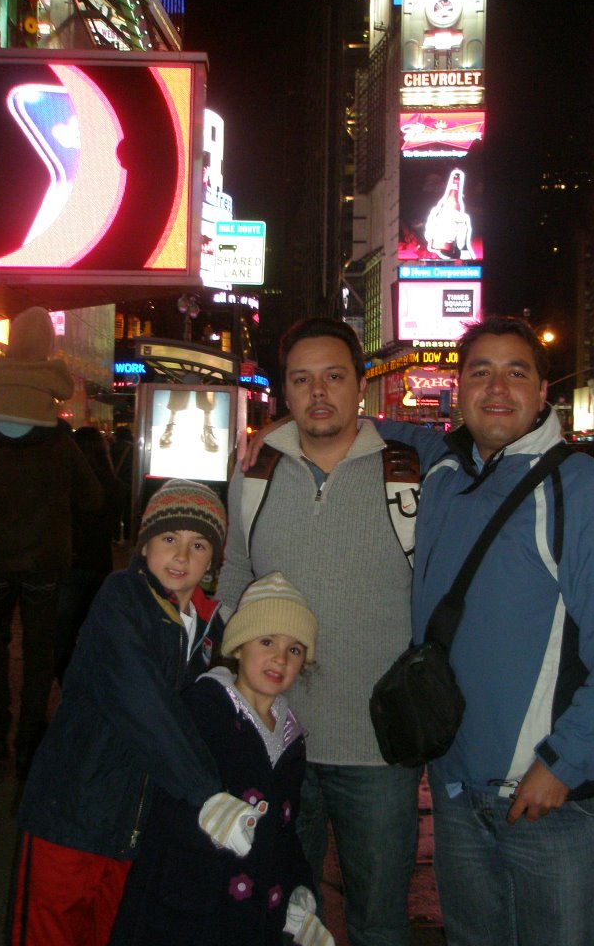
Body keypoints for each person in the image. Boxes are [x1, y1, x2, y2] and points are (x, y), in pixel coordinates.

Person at [378, 315, 594, 946]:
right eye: (480, 372)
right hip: (456, 789)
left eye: (517, 372)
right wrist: (291, 426)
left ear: (543, 394)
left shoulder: (586, 494)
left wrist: (564, 765)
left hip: (549, 799)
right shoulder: (447, 473)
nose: (497, 388)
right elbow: (373, 426)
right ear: (459, 392)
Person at [217, 317, 424, 946]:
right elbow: (233, 576)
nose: (319, 393)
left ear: (360, 384)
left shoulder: (410, 473)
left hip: (379, 750)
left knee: (379, 920)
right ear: (284, 392)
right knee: (280, 914)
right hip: (278, 740)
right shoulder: (255, 474)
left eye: (334, 376)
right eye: (301, 380)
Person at [11, 479, 269, 946]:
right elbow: (142, 700)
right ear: (145, 542)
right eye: (169, 538)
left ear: (214, 559)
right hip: (71, 818)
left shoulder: (211, 631)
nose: (181, 556)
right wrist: (208, 795)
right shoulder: (121, 599)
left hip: (135, 839)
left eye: (198, 544)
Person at [110, 571, 334, 946]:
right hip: (190, 914)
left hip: (253, 921)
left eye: (294, 649)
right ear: (238, 645)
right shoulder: (204, 710)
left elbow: (285, 832)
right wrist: (207, 820)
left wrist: (299, 892)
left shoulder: (291, 738)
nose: (280, 658)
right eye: (266, 641)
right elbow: (161, 800)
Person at [0, 306, 103, 778]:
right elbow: (94, 499)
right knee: (39, 648)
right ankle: (29, 739)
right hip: (45, 562)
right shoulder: (60, 446)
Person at [54, 426, 125, 682]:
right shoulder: (112, 484)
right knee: (90, 625)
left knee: (63, 630)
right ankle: (86, 677)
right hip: (99, 561)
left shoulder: (66, 481)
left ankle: (64, 678)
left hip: (71, 560)